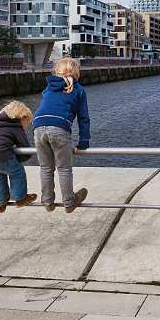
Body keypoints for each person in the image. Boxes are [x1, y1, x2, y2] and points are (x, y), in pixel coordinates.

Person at [33, 58, 90, 212]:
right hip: (59, 127)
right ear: (77, 72)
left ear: (56, 71)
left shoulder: (49, 87)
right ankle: (69, 202)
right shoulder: (78, 89)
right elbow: (83, 118)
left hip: (38, 126)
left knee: (45, 168)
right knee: (64, 169)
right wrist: (83, 141)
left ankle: (47, 201)